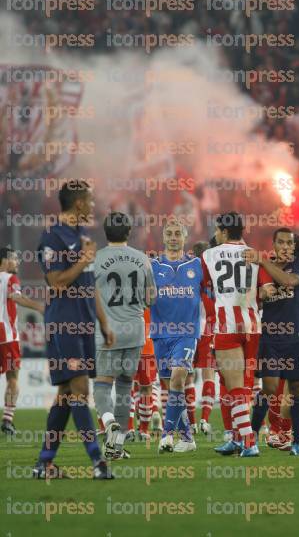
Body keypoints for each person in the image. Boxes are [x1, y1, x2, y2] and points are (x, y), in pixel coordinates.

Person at [33, 180, 115, 480]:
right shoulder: (52, 236)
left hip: (83, 325)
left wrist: (103, 323)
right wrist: (83, 260)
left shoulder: (83, 235)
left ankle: (44, 463)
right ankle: (98, 462)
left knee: (66, 394)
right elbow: (56, 281)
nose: (93, 205)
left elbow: (89, 284)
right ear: (79, 204)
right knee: (80, 389)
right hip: (63, 323)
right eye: (90, 201)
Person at [202, 212, 273, 458]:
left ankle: (249, 442)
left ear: (222, 231)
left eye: (216, 230)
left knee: (235, 389)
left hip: (227, 327)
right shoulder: (255, 254)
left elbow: (201, 288)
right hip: (252, 328)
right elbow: (266, 293)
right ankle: (235, 438)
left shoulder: (209, 255)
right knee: (242, 386)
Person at [248, 228, 299, 456]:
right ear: (274, 244)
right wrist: (260, 294)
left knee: (297, 389)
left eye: (290, 243)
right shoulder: (261, 269)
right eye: (282, 243)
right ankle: (251, 440)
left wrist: (263, 263)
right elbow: (253, 299)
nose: (286, 247)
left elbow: (289, 282)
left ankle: (296, 444)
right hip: (270, 338)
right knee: (269, 389)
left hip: (296, 337)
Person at [93, 212, 156, 458]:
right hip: (135, 331)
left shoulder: (97, 260)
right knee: (124, 387)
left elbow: (89, 297)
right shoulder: (142, 259)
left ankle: (109, 423)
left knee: (102, 384)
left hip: (109, 331)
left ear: (105, 232)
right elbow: (151, 298)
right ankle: (116, 447)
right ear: (129, 232)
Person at [151, 219, 203, 453]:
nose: (173, 237)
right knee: (173, 387)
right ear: (163, 237)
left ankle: (166, 435)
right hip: (160, 334)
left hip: (186, 334)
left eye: (177, 234)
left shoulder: (197, 265)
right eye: (169, 233)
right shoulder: (151, 266)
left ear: (184, 238)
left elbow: (212, 293)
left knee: (178, 379)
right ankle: (188, 438)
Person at [0, 248, 44, 435]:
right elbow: (16, 297)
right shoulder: (10, 278)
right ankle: (8, 421)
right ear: (5, 260)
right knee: (13, 378)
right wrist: (40, 306)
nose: (17, 262)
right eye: (14, 259)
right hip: (7, 337)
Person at [192, 240, 216, 435]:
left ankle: (191, 423)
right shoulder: (214, 271)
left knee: (187, 377)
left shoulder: (188, 271)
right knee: (209, 374)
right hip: (210, 328)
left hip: (188, 329)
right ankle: (204, 420)